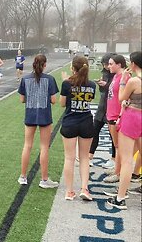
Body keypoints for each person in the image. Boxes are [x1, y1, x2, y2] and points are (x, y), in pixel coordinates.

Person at [17, 54, 59, 189]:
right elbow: (53, 100)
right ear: (45, 64)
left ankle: (23, 176)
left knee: (27, 145)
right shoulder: (50, 79)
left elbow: (22, 99)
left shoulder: (25, 79)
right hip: (45, 116)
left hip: (30, 115)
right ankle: (44, 179)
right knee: (44, 147)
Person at [106, 51, 142, 210]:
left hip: (132, 118)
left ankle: (120, 197)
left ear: (133, 64)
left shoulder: (134, 80)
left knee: (126, 159)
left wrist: (123, 82)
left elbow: (121, 97)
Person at [59, 56, 97, 201]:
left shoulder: (66, 84)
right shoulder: (92, 85)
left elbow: (63, 104)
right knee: (84, 158)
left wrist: (66, 81)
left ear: (73, 68)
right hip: (86, 122)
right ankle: (84, 189)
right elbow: (88, 100)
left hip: (70, 122)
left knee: (69, 158)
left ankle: (69, 191)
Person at [103, 55, 129, 184]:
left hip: (117, 116)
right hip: (111, 114)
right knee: (116, 145)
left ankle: (118, 173)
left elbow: (126, 99)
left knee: (119, 146)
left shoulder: (125, 77)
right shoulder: (115, 76)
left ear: (119, 64)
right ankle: (116, 168)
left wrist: (120, 115)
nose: (109, 66)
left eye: (111, 64)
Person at [89, 53, 116, 167]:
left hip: (113, 107)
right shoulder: (104, 73)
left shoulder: (118, 75)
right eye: (105, 64)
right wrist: (101, 84)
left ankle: (114, 159)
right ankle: (90, 155)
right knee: (94, 131)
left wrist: (107, 85)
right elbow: (104, 90)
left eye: (108, 64)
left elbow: (117, 89)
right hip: (102, 106)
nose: (106, 66)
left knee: (113, 135)